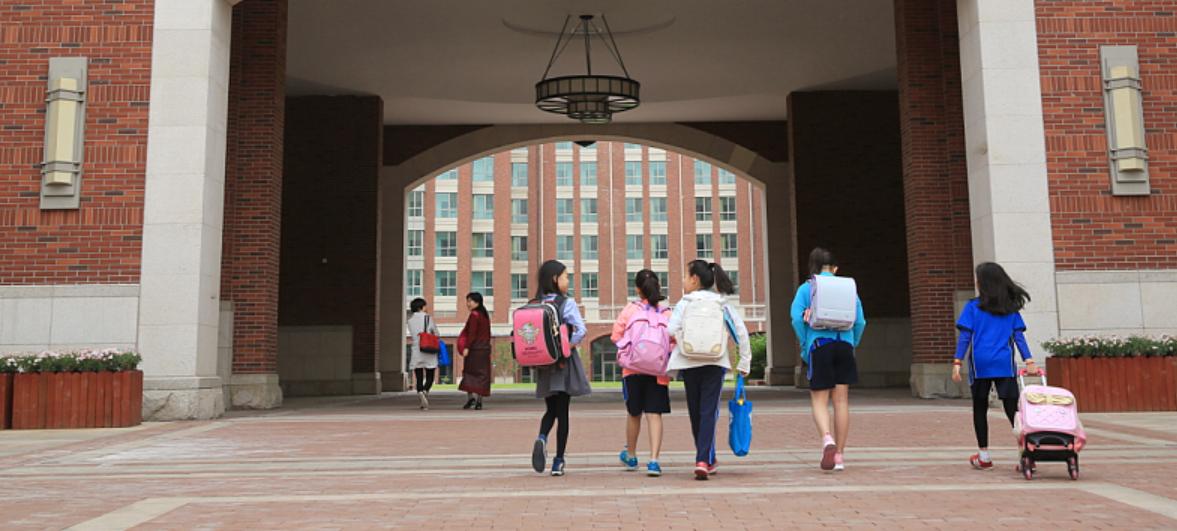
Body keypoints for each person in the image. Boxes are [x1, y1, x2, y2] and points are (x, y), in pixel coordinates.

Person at [667, 260, 751, 480]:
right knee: (708, 412)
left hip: (689, 361)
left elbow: (671, 329)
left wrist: (685, 337)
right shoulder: (722, 304)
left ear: (694, 279)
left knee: (695, 412)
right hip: (715, 362)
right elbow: (740, 332)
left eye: (685, 277)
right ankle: (705, 459)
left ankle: (703, 458)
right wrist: (744, 362)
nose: (684, 281)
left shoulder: (685, 303)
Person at [952, 262, 1039, 470]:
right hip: (1004, 363)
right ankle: (1026, 455)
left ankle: (984, 456)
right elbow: (1019, 337)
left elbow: (965, 337)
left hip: (980, 363)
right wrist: (1029, 360)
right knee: (1013, 411)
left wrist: (957, 362)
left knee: (979, 408)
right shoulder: (1010, 309)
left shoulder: (973, 307)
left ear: (983, 282)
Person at [790, 248, 866, 472]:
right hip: (844, 344)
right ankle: (840, 456)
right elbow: (861, 321)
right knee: (841, 401)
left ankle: (827, 439)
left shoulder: (807, 288)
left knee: (819, 399)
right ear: (835, 268)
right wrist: (852, 343)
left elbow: (796, 318)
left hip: (819, 345)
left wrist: (806, 344)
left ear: (813, 267)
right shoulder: (848, 287)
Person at [529, 260, 591, 477]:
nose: (568, 281)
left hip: (544, 365)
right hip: (563, 364)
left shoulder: (535, 303)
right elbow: (581, 330)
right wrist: (569, 346)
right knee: (562, 412)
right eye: (565, 276)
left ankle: (542, 437)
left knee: (550, 409)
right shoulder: (567, 303)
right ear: (555, 279)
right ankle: (558, 461)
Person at [611, 269, 672, 477]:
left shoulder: (630, 310)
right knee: (654, 414)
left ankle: (632, 455)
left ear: (637, 289)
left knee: (634, 413)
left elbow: (615, 335)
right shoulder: (666, 313)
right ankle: (654, 460)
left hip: (632, 369)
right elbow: (673, 340)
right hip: (658, 373)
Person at [457, 292, 492, 410]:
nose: (468, 304)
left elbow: (471, 334)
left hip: (475, 349)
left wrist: (466, 347)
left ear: (477, 302)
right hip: (485, 349)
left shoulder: (474, 315)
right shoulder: (485, 315)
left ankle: (470, 398)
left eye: (470, 301)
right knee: (482, 374)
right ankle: (479, 400)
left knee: (469, 373)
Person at [406, 298, 440, 410]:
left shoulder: (410, 320)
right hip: (428, 349)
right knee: (430, 375)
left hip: (417, 349)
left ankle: (420, 392)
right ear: (421, 307)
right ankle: (425, 391)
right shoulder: (428, 318)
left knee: (419, 376)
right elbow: (436, 333)